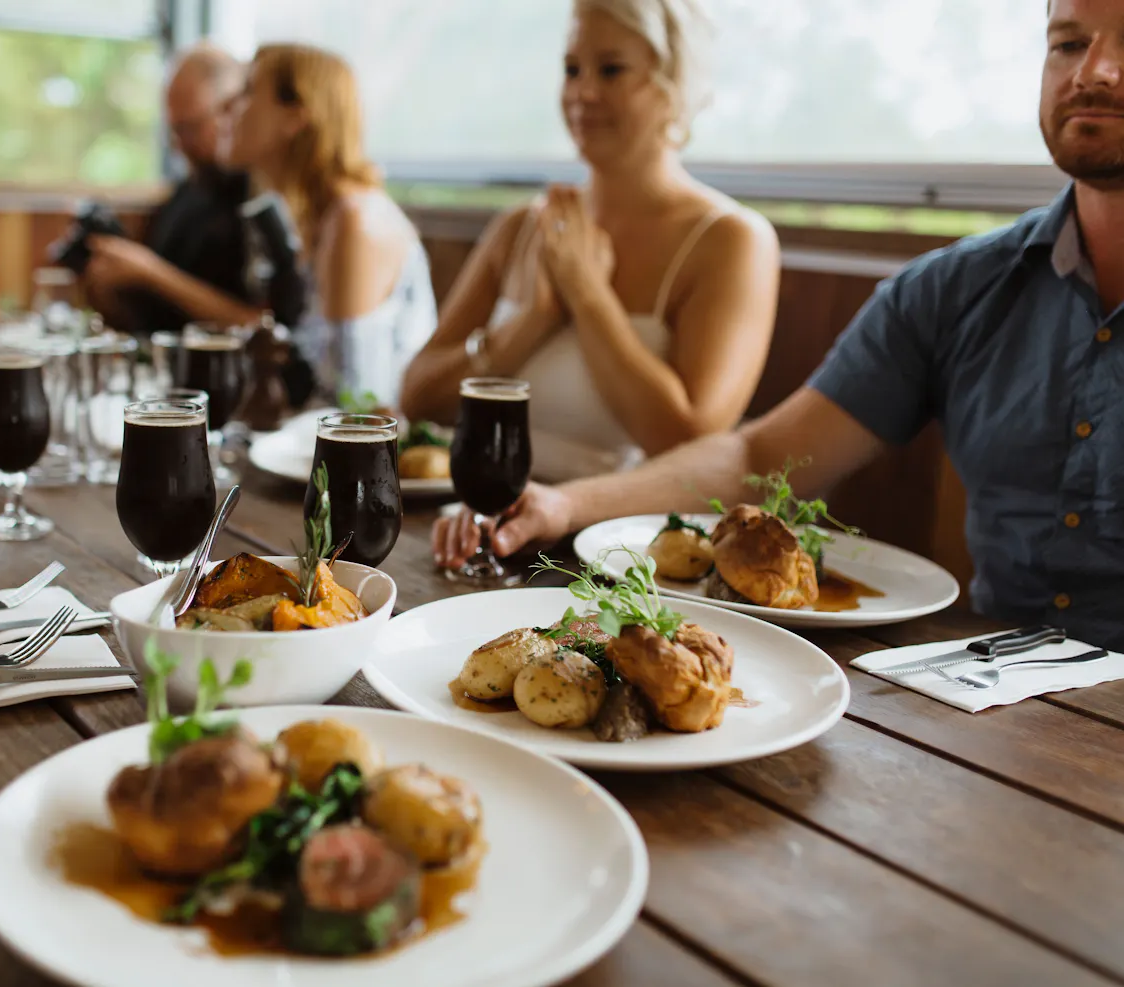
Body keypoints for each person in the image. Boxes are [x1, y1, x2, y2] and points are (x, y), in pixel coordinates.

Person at [436, 0, 1124, 651]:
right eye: (1068, 43)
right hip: (992, 691)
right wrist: (562, 506)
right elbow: (756, 459)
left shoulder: (729, 237)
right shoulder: (952, 290)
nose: (1092, 70)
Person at [400, 0, 779, 474]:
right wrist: (531, 322)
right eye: (572, 69)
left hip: (617, 541)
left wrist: (586, 294)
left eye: (611, 70)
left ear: (675, 82)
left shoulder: (731, 240)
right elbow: (415, 398)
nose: (583, 92)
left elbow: (688, 440)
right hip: (466, 524)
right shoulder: (520, 227)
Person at [216, 43, 437, 409]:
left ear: (295, 117)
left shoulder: (355, 222)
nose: (229, 108)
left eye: (249, 91)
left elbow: (359, 402)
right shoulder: (314, 217)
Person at [83, 43, 257, 334]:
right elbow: (148, 322)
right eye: (174, 130)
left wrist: (151, 272)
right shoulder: (186, 192)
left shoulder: (255, 201)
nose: (179, 145)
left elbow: (258, 324)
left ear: (231, 109)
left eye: (190, 128)